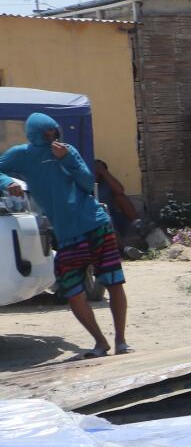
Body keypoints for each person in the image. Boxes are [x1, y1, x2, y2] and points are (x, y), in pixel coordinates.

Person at [1, 113, 131, 357]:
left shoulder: (67, 151)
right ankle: (100, 343)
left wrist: (69, 159)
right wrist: (7, 181)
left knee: (114, 281)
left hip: (95, 224)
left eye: (54, 133)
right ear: (34, 135)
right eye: (46, 134)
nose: (52, 138)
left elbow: (86, 182)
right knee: (72, 290)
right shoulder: (22, 155)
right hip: (67, 235)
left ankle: (121, 341)